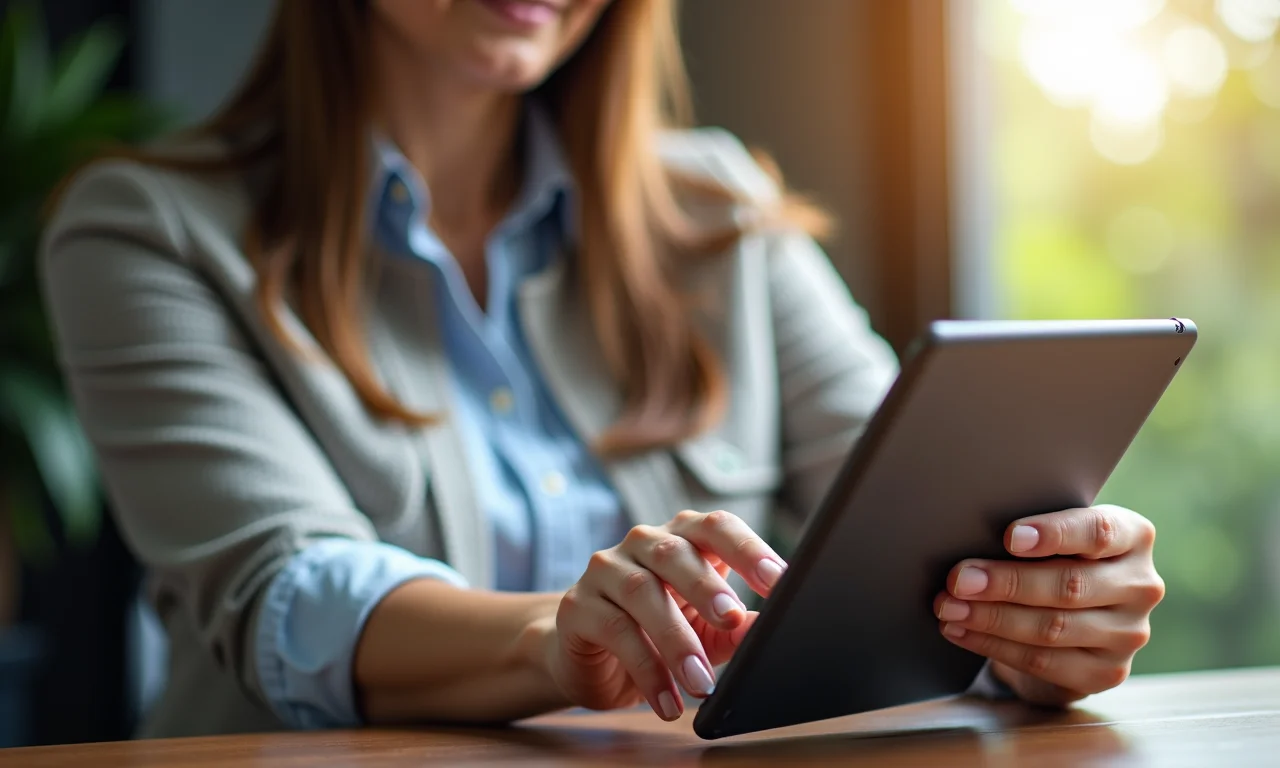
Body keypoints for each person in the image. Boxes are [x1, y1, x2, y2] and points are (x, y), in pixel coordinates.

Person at [40, 0, 1165, 738]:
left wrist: (1038, 618)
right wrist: (551, 639)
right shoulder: (142, 229)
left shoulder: (721, 215)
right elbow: (284, 595)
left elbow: (906, 516)